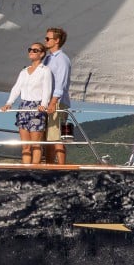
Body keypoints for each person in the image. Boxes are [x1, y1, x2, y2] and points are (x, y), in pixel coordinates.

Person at [6, 43, 54, 165]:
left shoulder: (45, 70)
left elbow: (47, 89)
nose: (31, 51)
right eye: (30, 49)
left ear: (42, 54)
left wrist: (44, 104)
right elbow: (16, 88)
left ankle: (35, 169)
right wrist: (9, 103)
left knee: (36, 144)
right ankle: (26, 169)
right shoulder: (24, 71)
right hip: (23, 107)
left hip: (37, 107)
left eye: (35, 50)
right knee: (25, 146)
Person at [42, 27, 72, 166]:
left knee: (56, 137)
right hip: (46, 102)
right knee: (48, 138)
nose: (45, 41)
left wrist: (53, 102)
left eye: (48, 38)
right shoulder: (47, 59)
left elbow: (62, 83)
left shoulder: (62, 59)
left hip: (57, 102)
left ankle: (61, 167)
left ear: (57, 40)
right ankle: (49, 166)